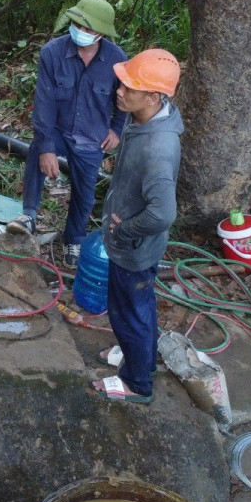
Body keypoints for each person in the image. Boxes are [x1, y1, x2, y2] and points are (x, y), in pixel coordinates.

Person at [89, 49, 183, 404]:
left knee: (128, 311)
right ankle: (143, 358)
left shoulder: (158, 149)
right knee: (140, 305)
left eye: (130, 87)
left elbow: (162, 214)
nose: (120, 91)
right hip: (137, 244)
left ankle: (137, 383)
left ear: (153, 96)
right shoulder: (147, 117)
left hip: (134, 247)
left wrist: (124, 230)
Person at [8, 0, 127, 266]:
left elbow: (125, 97)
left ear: (100, 33)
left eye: (87, 29)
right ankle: (29, 214)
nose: (80, 32)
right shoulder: (53, 53)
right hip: (58, 129)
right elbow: (44, 103)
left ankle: (74, 239)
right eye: (76, 25)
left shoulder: (116, 60)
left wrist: (117, 129)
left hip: (92, 136)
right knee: (38, 149)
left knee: (85, 191)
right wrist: (48, 148)